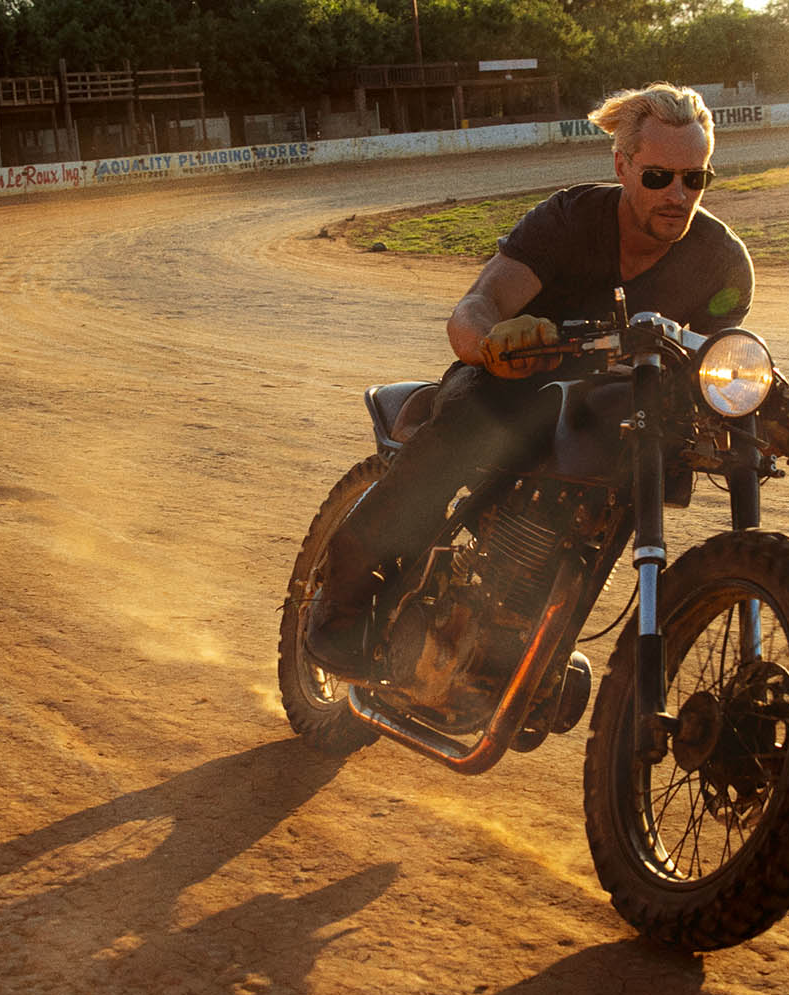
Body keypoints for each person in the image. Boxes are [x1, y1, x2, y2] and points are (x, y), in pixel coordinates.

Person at [303, 82, 754, 679]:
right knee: (469, 428)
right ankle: (346, 592)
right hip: (515, 386)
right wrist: (493, 343)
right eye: (658, 178)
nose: (678, 195)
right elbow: (477, 305)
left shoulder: (721, 261)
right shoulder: (568, 222)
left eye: (694, 179)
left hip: (621, 407)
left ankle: (538, 623)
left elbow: (717, 360)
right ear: (622, 165)